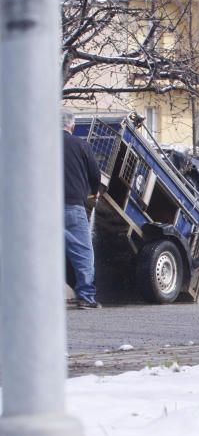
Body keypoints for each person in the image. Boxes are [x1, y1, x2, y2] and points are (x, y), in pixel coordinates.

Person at [63, 109, 103, 309]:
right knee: (83, 253)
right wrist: (93, 192)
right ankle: (86, 297)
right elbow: (95, 176)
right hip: (72, 207)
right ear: (72, 126)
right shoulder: (81, 145)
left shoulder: (42, 144)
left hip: (42, 209)